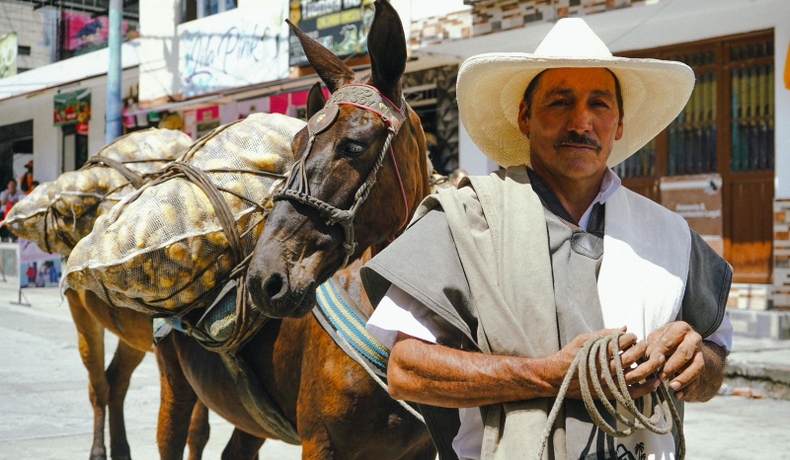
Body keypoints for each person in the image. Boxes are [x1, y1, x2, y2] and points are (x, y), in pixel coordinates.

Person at [361, 18, 733, 460]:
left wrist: (697, 363)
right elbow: (406, 371)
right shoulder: (465, 221)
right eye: (560, 102)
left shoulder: (669, 236)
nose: (581, 121)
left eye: (599, 104)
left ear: (618, 125)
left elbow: (714, 362)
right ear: (525, 117)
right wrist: (546, 376)